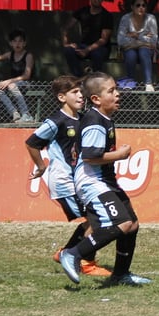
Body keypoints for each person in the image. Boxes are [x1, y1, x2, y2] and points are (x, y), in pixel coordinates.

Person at [58, 71, 151, 286]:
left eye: (116, 89)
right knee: (122, 222)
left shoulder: (104, 119)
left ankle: (120, 275)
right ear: (96, 99)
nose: (118, 94)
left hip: (105, 181)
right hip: (92, 181)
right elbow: (90, 156)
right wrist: (120, 155)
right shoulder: (94, 120)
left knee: (133, 224)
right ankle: (73, 253)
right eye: (112, 91)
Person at [26, 75, 111, 277]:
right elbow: (31, 142)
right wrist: (41, 166)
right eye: (75, 92)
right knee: (96, 219)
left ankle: (66, 253)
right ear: (62, 97)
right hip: (64, 181)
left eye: (81, 91)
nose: (80, 95)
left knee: (93, 219)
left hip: (77, 179)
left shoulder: (82, 119)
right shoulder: (56, 121)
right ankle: (86, 263)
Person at [61, 0, 113, 76]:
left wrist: (87, 50)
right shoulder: (82, 11)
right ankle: (79, 78)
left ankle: (96, 79)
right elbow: (65, 28)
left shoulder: (106, 15)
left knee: (97, 54)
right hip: (83, 45)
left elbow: (103, 40)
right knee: (68, 50)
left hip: (100, 48)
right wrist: (66, 43)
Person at [117, 0, 158, 91]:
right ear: (132, 7)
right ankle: (130, 83)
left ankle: (148, 83)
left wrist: (135, 36)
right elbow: (121, 40)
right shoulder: (125, 19)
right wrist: (143, 39)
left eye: (143, 5)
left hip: (146, 51)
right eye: (138, 5)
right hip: (130, 50)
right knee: (131, 54)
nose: (141, 8)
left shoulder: (151, 18)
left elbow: (153, 41)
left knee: (143, 51)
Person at [0, 29, 35, 123]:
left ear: (24, 43)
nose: (17, 44)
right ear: (11, 43)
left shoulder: (28, 56)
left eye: (20, 41)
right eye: (15, 41)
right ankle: (14, 113)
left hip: (28, 83)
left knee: (11, 85)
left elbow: (26, 75)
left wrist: (9, 81)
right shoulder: (10, 54)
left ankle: (26, 114)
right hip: (12, 83)